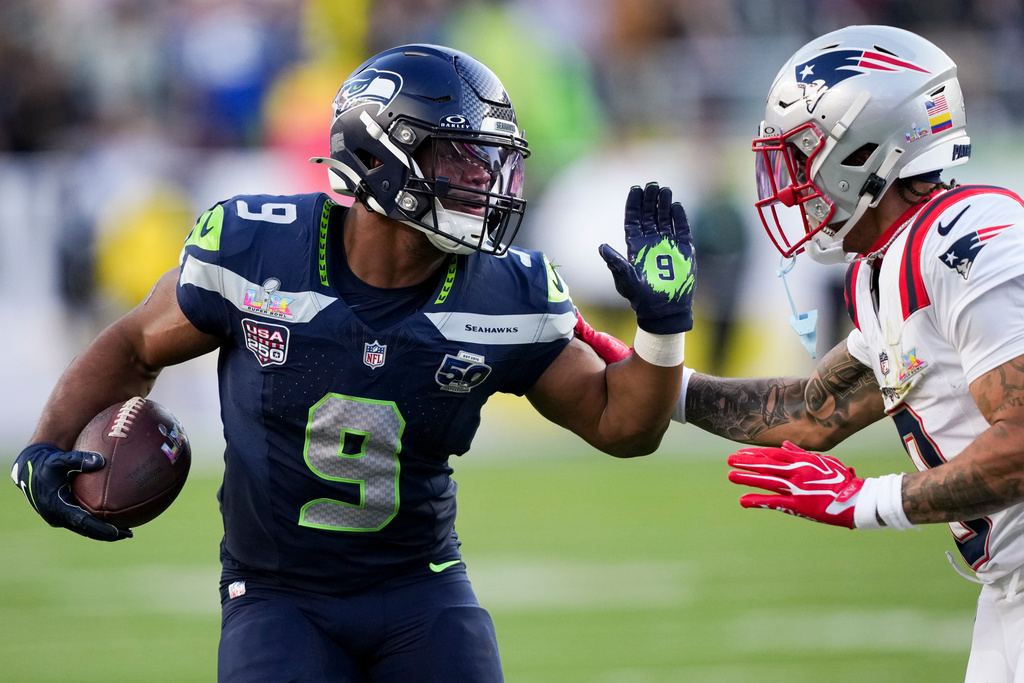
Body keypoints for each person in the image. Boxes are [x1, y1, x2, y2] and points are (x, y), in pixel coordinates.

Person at [11, 45, 696, 682]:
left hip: (421, 586)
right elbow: (133, 345)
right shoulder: (255, 250)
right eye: (458, 160)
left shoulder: (504, 289)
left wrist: (662, 329)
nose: (482, 181)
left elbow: (621, 423)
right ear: (379, 157)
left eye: (487, 162)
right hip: (278, 594)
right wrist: (42, 446)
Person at [575, 25, 1024, 682]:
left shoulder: (969, 239)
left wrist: (868, 502)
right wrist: (653, 371)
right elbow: (812, 413)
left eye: (803, 152)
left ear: (866, 148)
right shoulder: (888, 264)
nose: (792, 179)